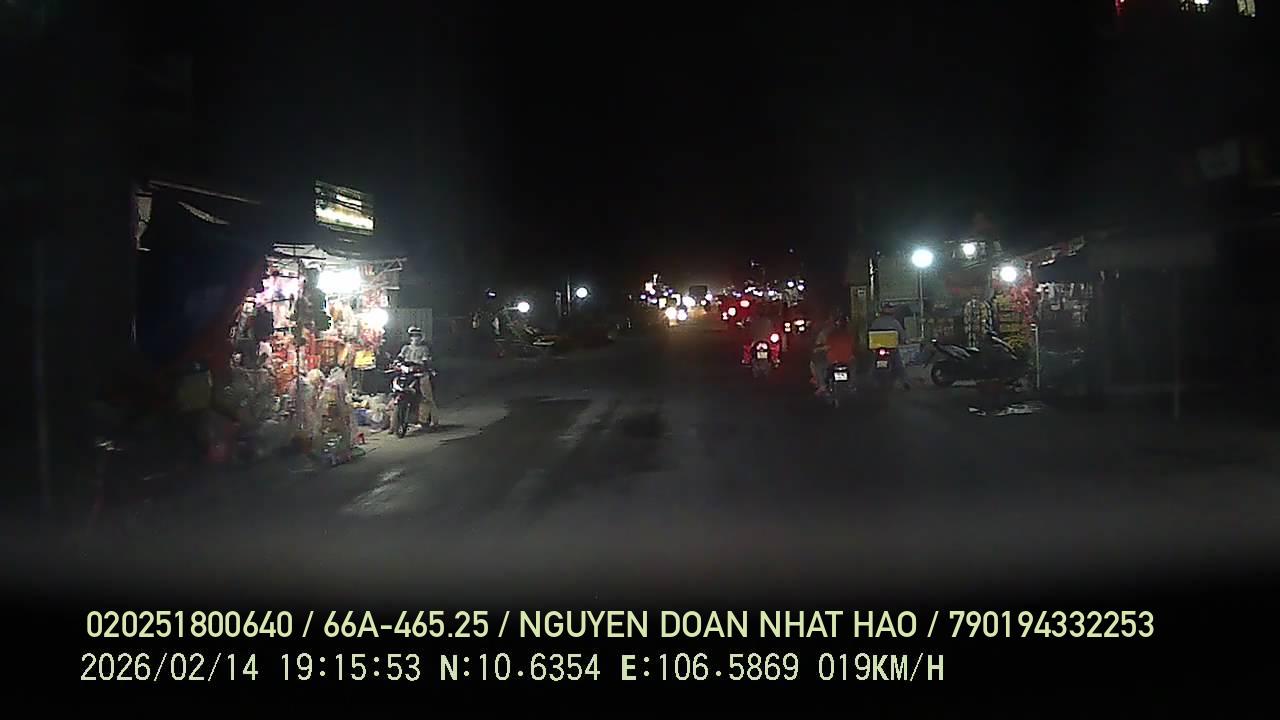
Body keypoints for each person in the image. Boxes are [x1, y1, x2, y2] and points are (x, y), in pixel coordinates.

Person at [396, 326, 438, 427]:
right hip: (407, 374)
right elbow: (399, 358)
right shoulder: (405, 348)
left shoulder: (424, 349)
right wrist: (397, 363)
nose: (415, 338)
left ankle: (431, 420)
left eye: (418, 336)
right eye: (413, 335)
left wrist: (421, 366)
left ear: (421, 337)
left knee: (426, 397)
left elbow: (425, 361)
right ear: (410, 337)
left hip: (421, 374)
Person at [811, 313, 856, 395]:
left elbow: (827, 347)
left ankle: (822, 386)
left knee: (818, 365)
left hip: (833, 361)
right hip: (847, 360)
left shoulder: (832, 335)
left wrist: (816, 349)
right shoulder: (850, 335)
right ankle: (852, 385)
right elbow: (853, 347)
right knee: (854, 367)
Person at [869, 304, 910, 390]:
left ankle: (871, 382)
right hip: (891, 349)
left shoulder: (876, 322)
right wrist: (904, 340)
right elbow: (902, 335)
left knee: (873, 365)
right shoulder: (895, 322)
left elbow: (870, 335)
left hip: (878, 348)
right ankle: (905, 382)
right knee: (899, 365)